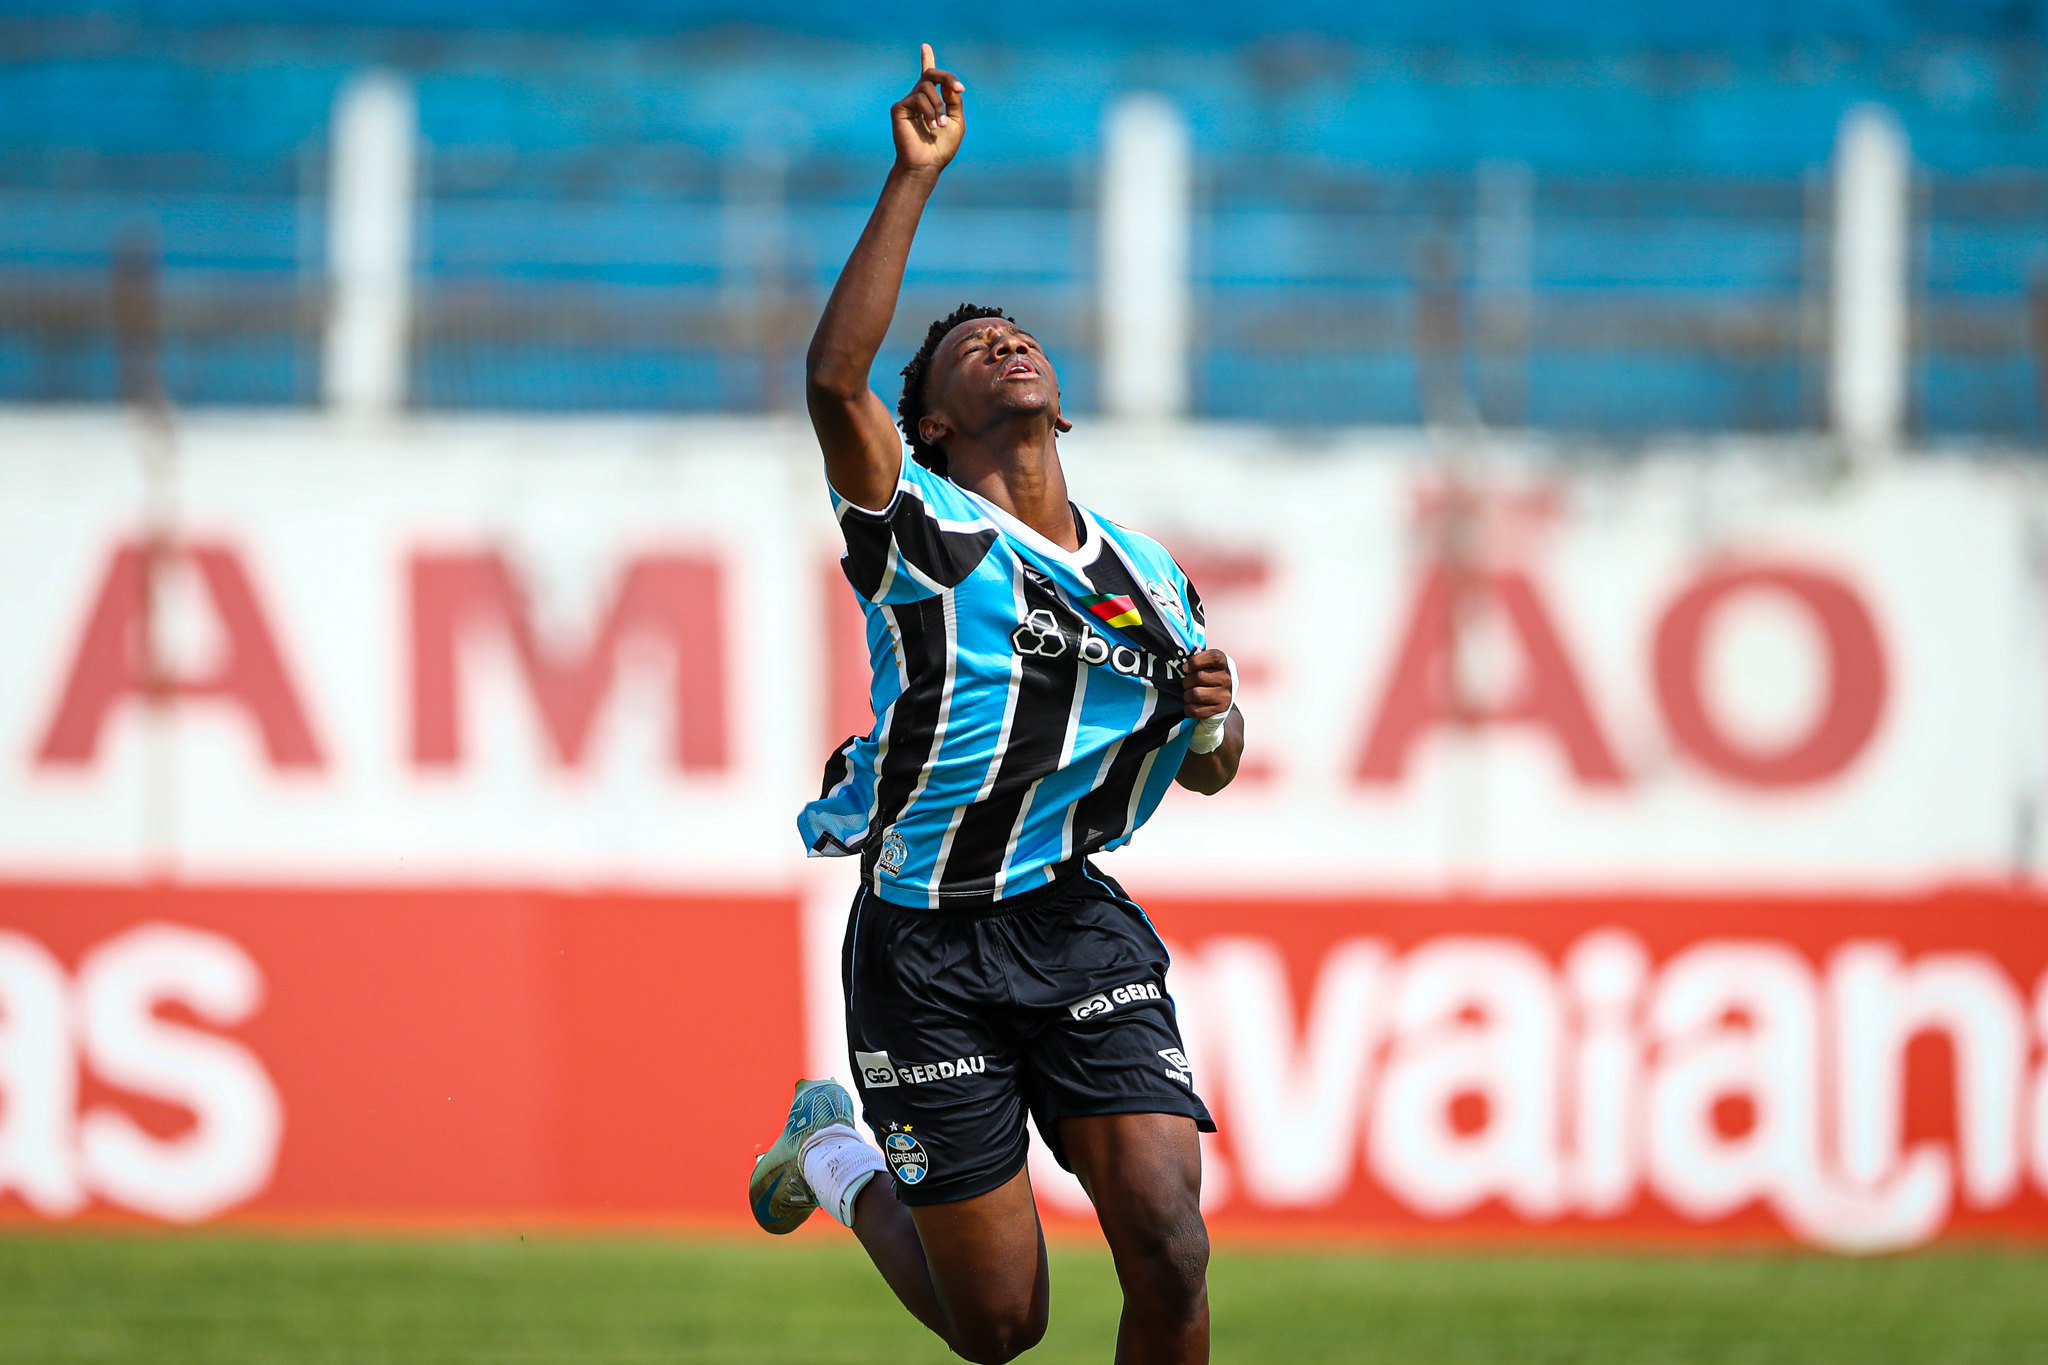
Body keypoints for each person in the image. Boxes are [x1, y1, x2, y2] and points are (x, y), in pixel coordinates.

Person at [748, 45, 1243, 1365]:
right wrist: (913, 177)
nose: (1004, 339)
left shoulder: (1151, 581)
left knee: (1173, 1246)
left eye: (1016, 332)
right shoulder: (922, 529)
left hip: (1073, 922)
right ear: (934, 425)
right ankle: (839, 1152)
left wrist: (1214, 717)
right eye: (970, 346)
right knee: (1001, 1326)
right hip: (925, 951)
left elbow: (1209, 762)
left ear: (1059, 405)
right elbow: (830, 386)